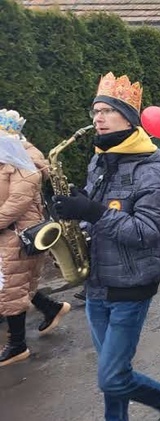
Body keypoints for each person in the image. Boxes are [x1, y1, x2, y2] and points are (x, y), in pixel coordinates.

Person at [52, 73, 160, 419]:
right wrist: (74, 210)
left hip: (130, 286)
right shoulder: (100, 158)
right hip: (97, 282)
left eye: (107, 111)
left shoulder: (152, 168)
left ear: (129, 118)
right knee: (110, 374)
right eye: (95, 111)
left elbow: (148, 232)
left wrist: (94, 212)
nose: (98, 118)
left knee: (113, 377)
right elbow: (96, 215)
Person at [0, 109, 70, 366]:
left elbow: (19, 200)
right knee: (15, 285)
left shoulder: (22, 159)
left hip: (18, 233)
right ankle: (51, 308)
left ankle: (17, 345)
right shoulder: (6, 154)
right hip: (7, 232)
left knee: (10, 287)